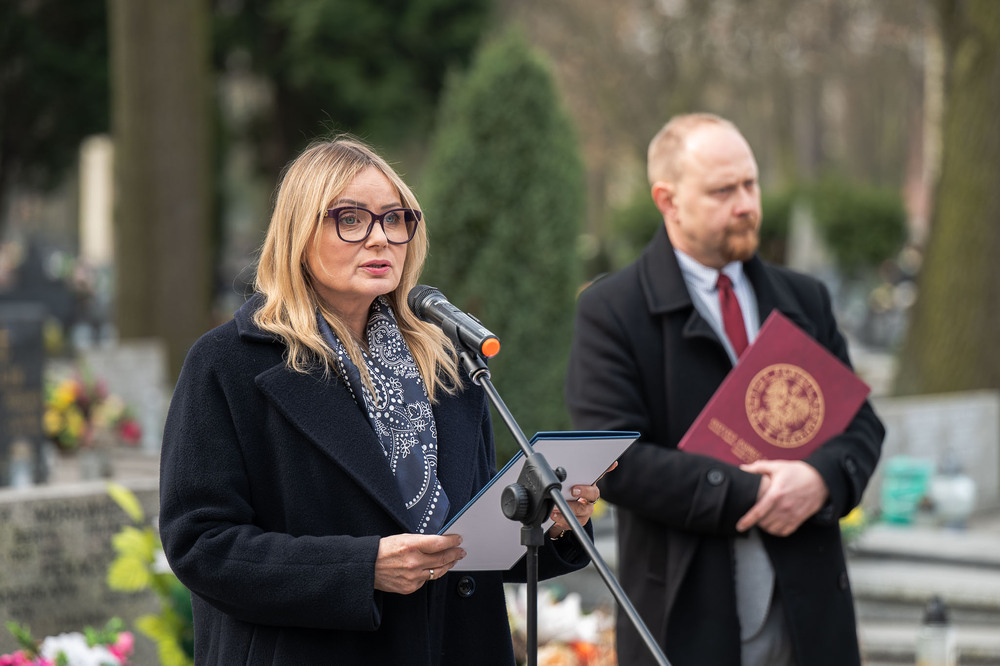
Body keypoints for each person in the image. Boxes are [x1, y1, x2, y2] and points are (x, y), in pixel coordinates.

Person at [159, 136, 600, 665]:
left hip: (453, 647)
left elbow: (465, 542)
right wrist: (361, 568)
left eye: (395, 219)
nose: (381, 238)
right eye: (351, 218)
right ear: (300, 231)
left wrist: (547, 522)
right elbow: (201, 544)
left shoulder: (446, 362)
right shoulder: (229, 362)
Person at [565, 113, 885, 666]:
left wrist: (819, 478)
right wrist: (752, 491)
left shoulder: (804, 297)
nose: (745, 203)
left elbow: (859, 423)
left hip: (809, 610)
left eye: (750, 183)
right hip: (688, 609)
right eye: (722, 190)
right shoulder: (611, 310)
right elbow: (614, 459)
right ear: (667, 200)